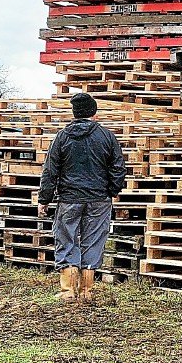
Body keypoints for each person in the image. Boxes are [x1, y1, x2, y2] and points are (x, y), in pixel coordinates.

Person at [38, 92, 126, 303]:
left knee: (66, 239)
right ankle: (86, 291)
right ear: (94, 112)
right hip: (99, 199)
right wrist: (112, 191)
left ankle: (68, 291)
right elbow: (118, 167)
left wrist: (44, 199)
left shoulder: (62, 137)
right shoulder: (106, 136)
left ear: (75, 113)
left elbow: (50, 170)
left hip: (69, 199)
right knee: (93, 240)